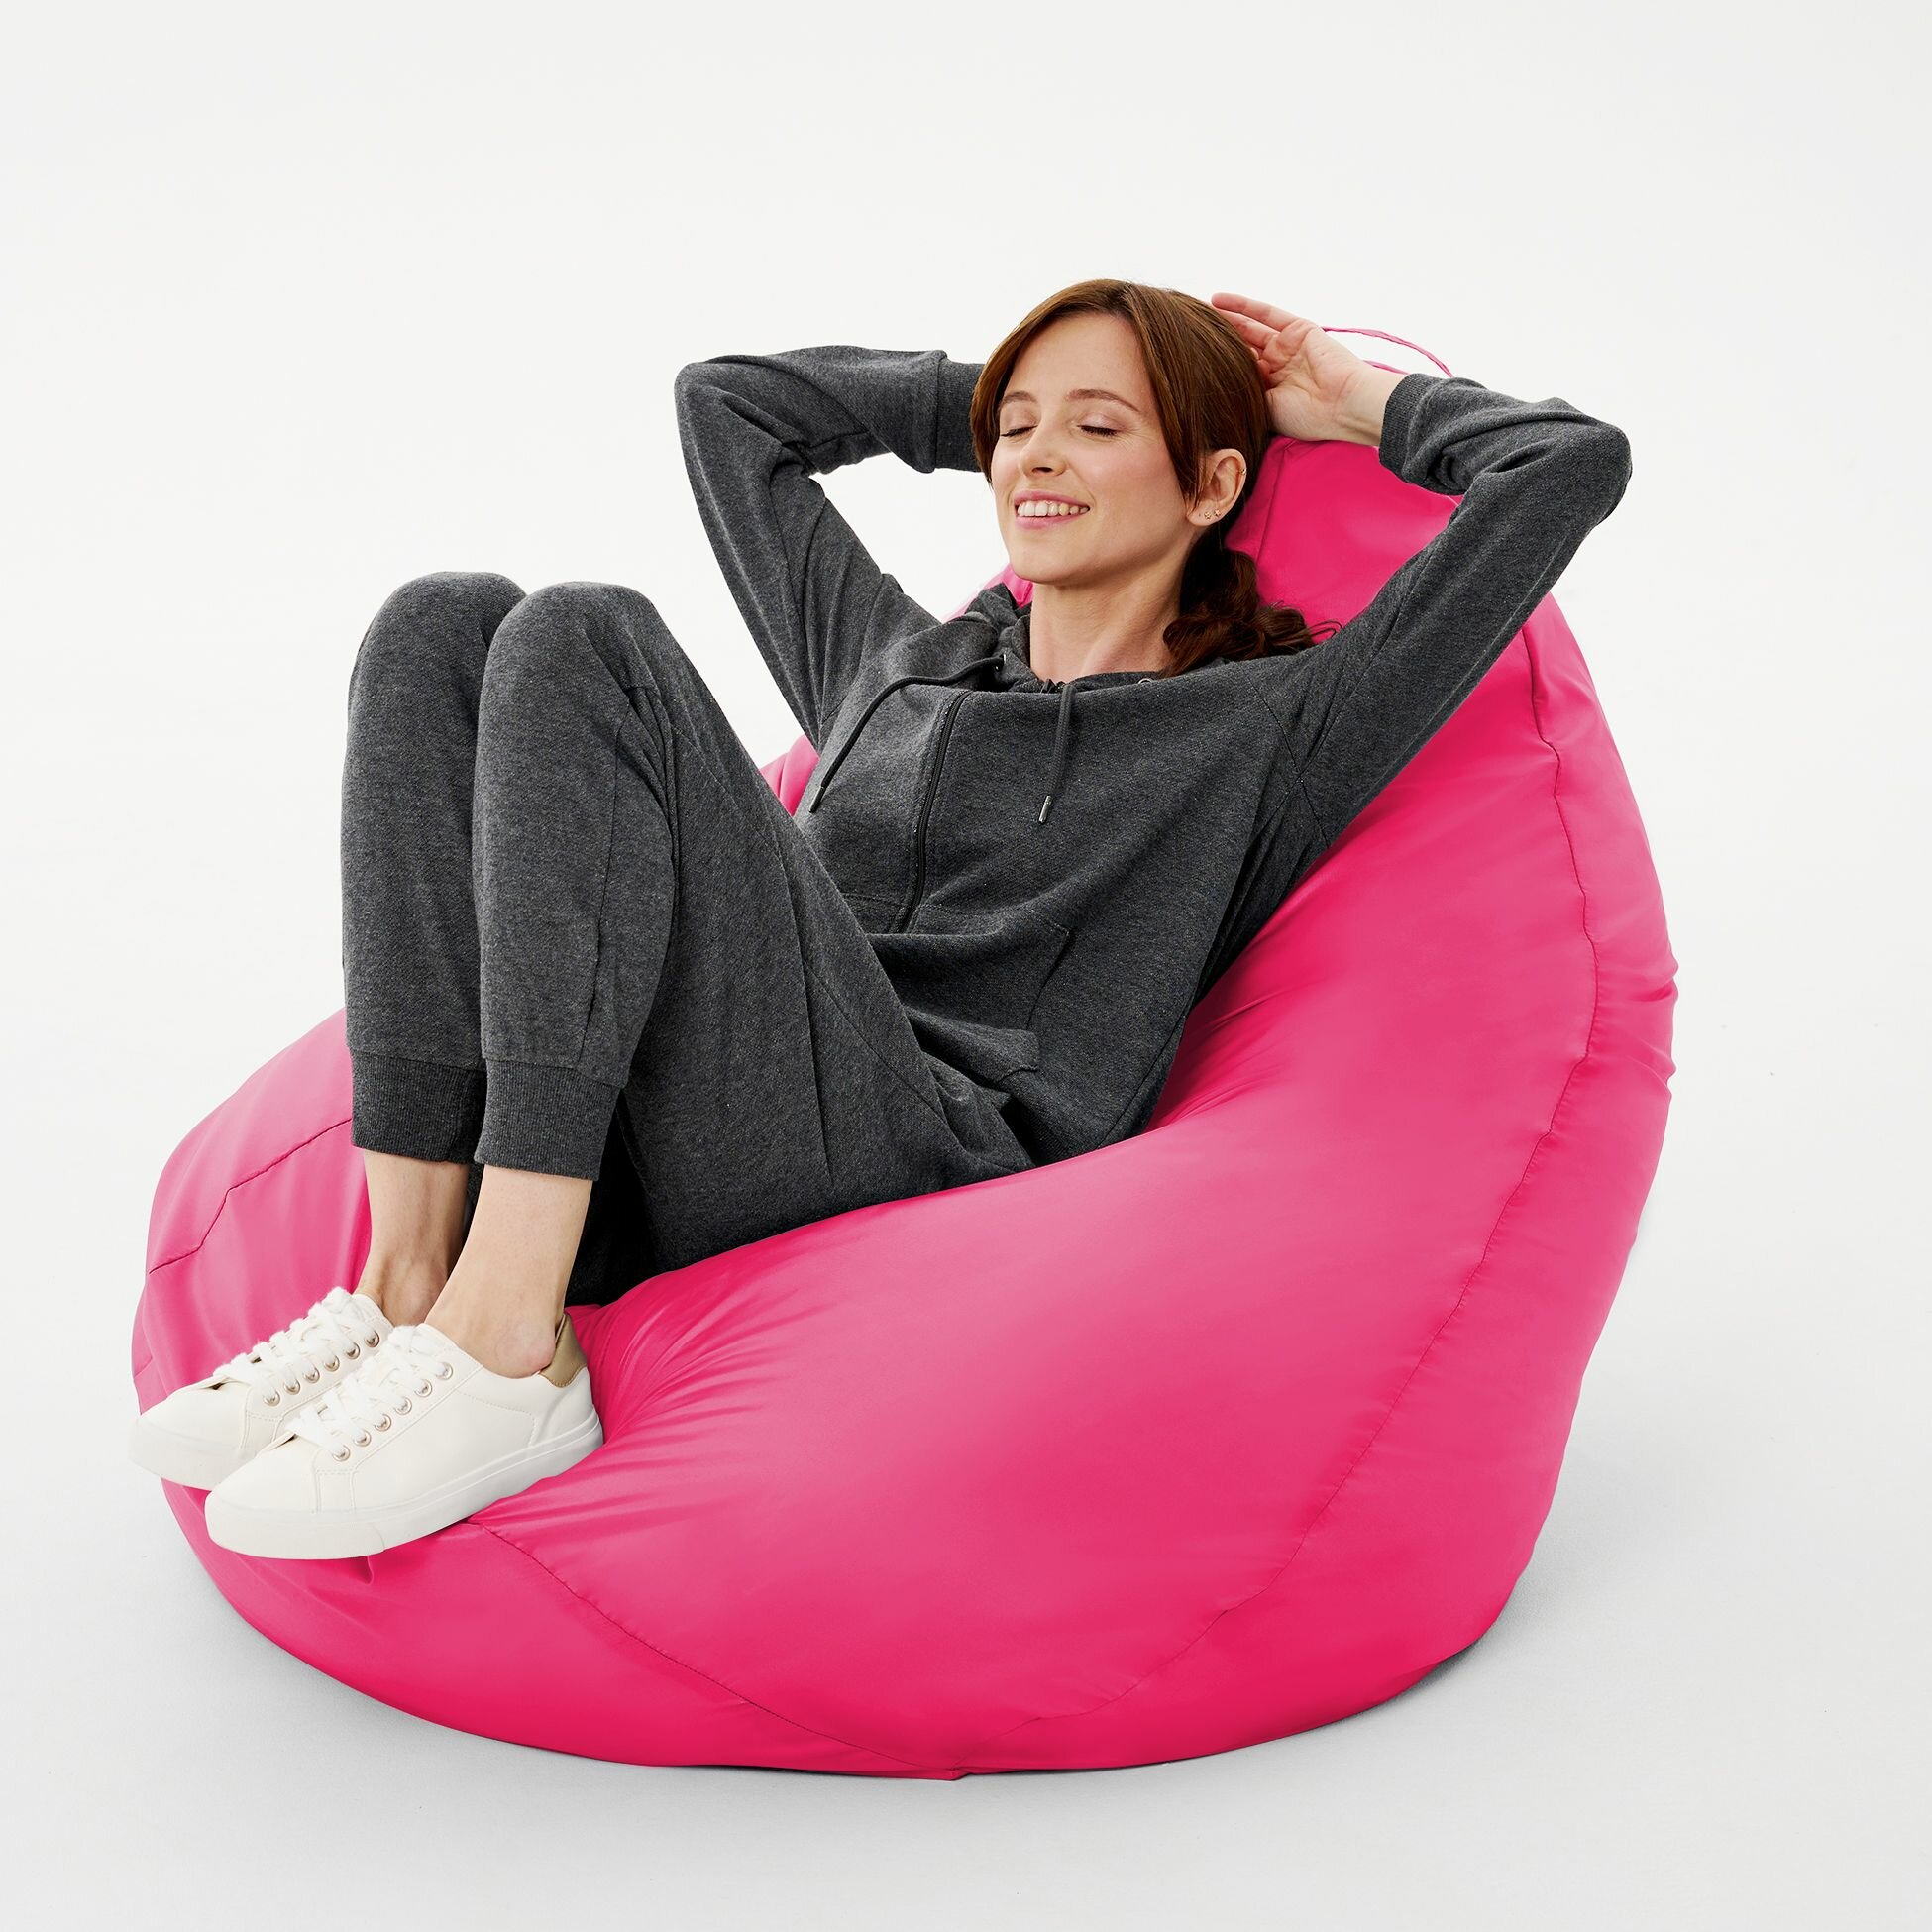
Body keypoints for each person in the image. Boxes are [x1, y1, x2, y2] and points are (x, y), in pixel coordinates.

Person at [129, 279, 1633, 1560]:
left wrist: (1346, 398)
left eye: (1099, 429)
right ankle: (407, 1284)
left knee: (589, 632)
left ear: (1209, 485)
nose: (1036, 458)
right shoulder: (894, 664)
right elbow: (730, 406)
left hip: (921, 1143)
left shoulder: (1267, 726)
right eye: (1016, 429)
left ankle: (512, 1346)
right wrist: (1015, 394)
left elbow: (1565, 465)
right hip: (686, 1122)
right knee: (441, 620)